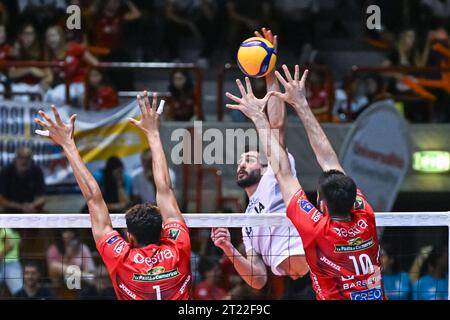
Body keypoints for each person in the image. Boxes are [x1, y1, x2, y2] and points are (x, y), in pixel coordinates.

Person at [223, 64, 385, 300]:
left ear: (322, 206)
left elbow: (283, 171)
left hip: (312, 278)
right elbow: (329, 160)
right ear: (354, 198)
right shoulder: (365, 215)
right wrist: (301, 104)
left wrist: (259, 116)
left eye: (249, 158)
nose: (242, 164)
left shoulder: (316, 227)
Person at [34, 91, 192, 300]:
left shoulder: (121, 257)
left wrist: (68, 145)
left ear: (130, 237)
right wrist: (153, 133)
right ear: (163, 230)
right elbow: (165, 189)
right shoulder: (179, 245)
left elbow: (93, 198)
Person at [212, 28, 309, 292]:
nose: (241, 164)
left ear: (265, 166)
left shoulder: (273, 177)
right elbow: (258, 279)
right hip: (293, 287)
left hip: (317, 267)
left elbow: (276, 126)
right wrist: (228, 248)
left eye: (250, 159)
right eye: (240, 161)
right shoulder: (246, 221)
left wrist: (268, 73)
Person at [43, 25, 99, 107]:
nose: (51, 39)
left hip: (81, 83)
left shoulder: (74, 47)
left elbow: (95, 63)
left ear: (61, 36)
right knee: (50, 95)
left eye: (53, 35)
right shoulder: (49, 56)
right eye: (48, 36)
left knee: (59, 96)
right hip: (64, 85)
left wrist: (91, 79)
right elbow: (49, 77)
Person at [46, 229, 96, 294]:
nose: (68, 234)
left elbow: (90, 270)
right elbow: (52, 271)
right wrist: (67, 256)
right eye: (65, 232)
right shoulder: (53, 249)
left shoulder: (83, 248)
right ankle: (83, 275)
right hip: (60, 283)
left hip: (80, 283)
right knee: (54, 266)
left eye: (71, 231)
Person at [0, 147, 46, 213]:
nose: (24, 161)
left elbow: (43, 197)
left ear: (31, 159)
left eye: (27, 158)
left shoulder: (36, 171)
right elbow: (1, 199)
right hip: (10, 208)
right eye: (21, 157)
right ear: (16, 158)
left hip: (31, 208)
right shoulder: (6, 171)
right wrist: (20, 206)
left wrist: (33, 205)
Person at [0, 228, 23, 295]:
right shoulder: (16, 233)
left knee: (19, 293)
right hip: (11, 264)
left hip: (9, 264)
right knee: (19, 292)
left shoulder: (5, 229)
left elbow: (10, 244)